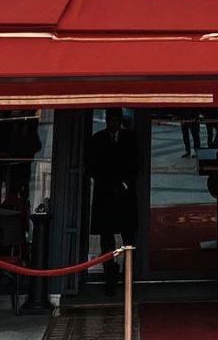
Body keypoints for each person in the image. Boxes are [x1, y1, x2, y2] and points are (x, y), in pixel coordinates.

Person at [88, 109, 138, 296]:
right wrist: (110, 183)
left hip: (124, 194)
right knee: (106, 237)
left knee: (128, 237)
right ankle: (109, 275)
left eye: (117, 120)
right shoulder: (98, 139)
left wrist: (124, 183)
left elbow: (135, 164)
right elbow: (92, 166)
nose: (114, 124)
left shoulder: (129, 139)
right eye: (112, 120)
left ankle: (128, 275)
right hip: (106, 194)